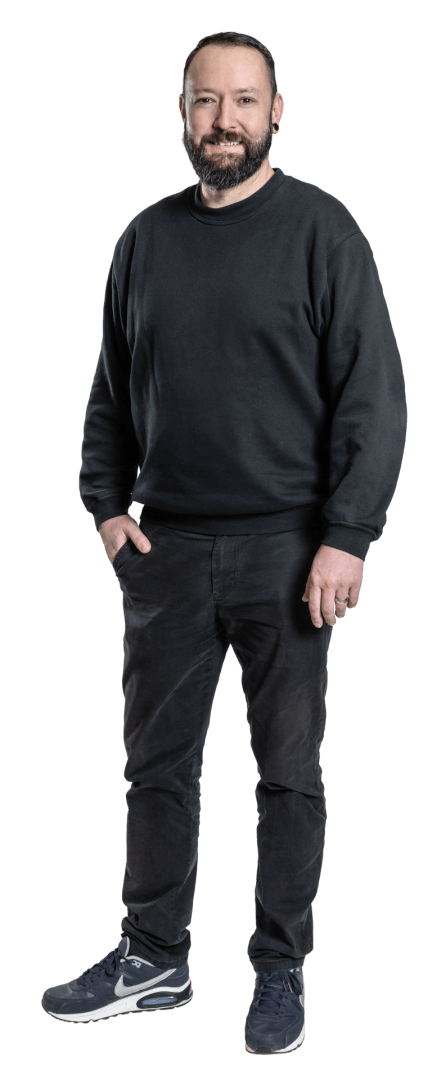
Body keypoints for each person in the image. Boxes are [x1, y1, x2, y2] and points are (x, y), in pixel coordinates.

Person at [42, 33, 407, 1053]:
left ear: (277, 112)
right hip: (163, 556)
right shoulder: (143, 239)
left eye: (245, 101)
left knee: (288, 776)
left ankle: (281, 970)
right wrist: (106, 511)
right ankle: (154, 958)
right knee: (155, 769)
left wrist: (347, 537)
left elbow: (375, 400)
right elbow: (109, 391)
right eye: (208, 101)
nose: (226, 120)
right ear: (183, 111)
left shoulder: (324, 231)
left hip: (290, 556)